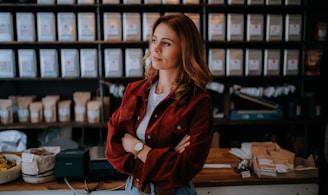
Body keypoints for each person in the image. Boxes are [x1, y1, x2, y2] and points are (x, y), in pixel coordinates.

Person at [106, 13, 214, 195]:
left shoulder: (198, 102)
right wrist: (168, 155)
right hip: (134, 189)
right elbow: (113, 149)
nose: (155, 49)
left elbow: (184, 169)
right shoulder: (134, 91)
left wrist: (136, 147)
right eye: (154, 40)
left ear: (184, 50)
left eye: (166, 43)